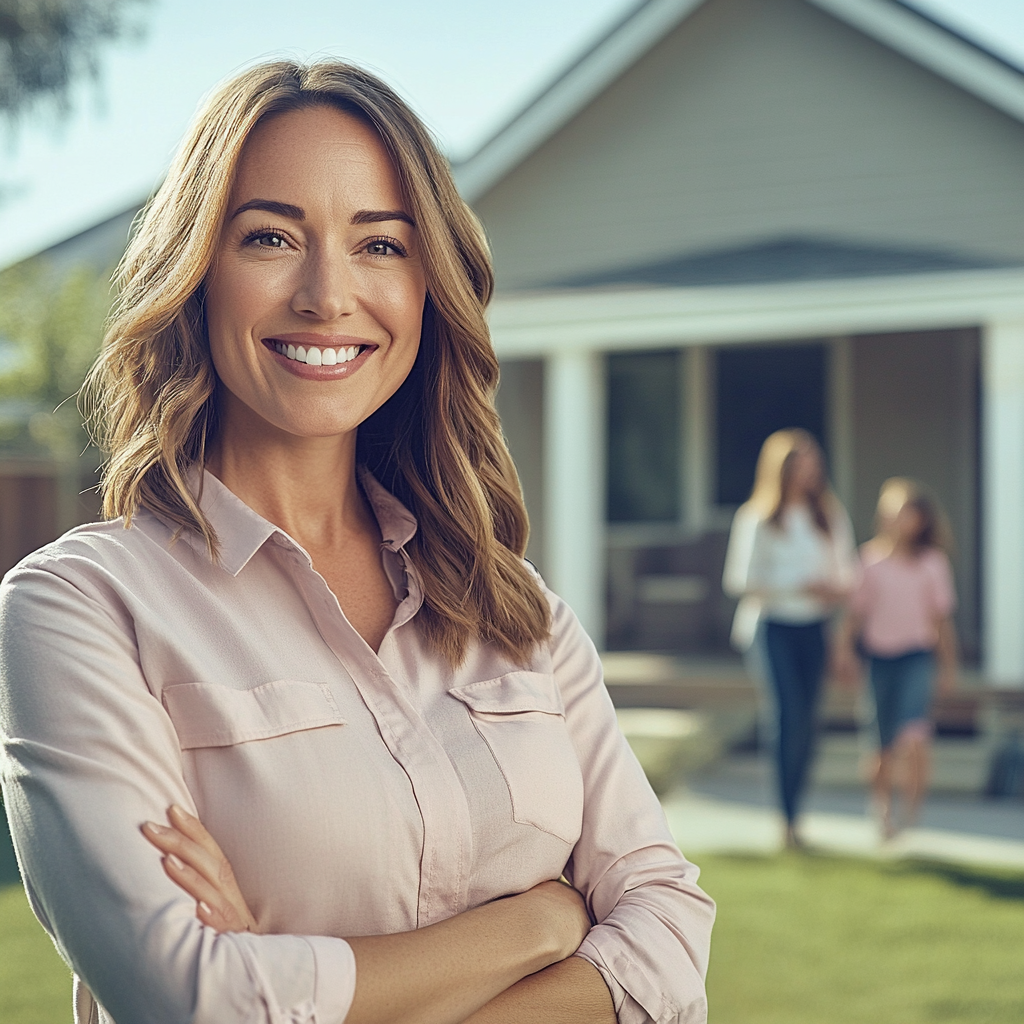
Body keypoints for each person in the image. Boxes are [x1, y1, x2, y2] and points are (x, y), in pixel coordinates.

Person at [0, 61, 714, 1024]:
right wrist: (542, 925)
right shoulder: (80, 609)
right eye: (270, 238)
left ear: (429, 288)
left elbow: (671, 936)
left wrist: (288, 974)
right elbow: (192, 999)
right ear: (196, 272)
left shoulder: (519, 613)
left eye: (381, 244)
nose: (327, 295)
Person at [723, 428, 855, 849]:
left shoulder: (829, 516)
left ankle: (797, 814)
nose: (808, 471)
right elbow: (740, 580)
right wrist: (800, 584)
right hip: (772, 626)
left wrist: (834, 590)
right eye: (799, 464)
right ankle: (785, 819)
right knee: (787, 717)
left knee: (809, 722)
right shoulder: (758, 517)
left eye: (813, 463)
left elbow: (848, 572)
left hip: (814, 628)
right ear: (781, 469)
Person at [834, 479, 957, 839]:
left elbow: (941, 621)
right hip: (879, 659)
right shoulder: (869, 561)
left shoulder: (932, 564)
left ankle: (912, 810)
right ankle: (882, 808)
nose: (897, 518)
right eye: (891, 510)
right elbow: (854, 616)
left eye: (905, 511)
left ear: (920, 519)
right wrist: (844, 652)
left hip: (917, 656)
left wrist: (949, 667)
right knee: (879, 743)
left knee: (914, 736)